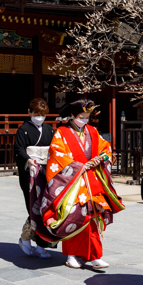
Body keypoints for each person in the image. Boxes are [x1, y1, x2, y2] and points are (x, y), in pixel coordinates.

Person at [32, 99, 123, 268]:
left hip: (92, 180)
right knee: (73, 216)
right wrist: (79, 166)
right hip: (73, 182)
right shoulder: (62, 132)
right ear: (72, 116)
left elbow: (106, 148)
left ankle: (94, 255)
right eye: (82, 116)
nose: (85, 120)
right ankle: (72, 255)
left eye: (87, 116)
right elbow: (57, 154)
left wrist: (101, 158)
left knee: (93, 216)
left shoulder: (93, 131)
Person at [14, 99, 54, 255]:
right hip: (30, 172)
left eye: (43, 114)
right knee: (33, 208)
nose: (40, 117)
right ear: (29, 112)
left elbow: (55, 149)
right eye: (37, 114)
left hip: (47, 171)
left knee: (46, 208)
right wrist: (28, 159)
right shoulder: (23, 130)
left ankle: (41, 245)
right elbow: (19, 149)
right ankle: (25, 238)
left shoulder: (49, 129)